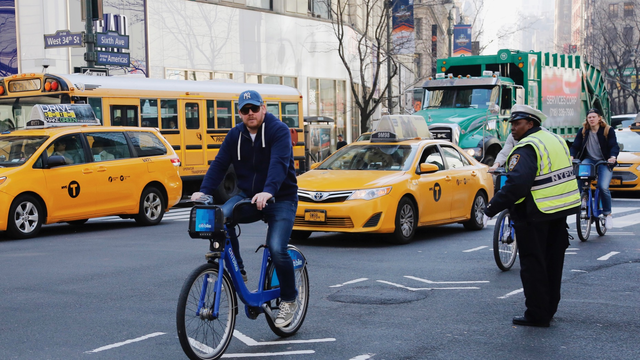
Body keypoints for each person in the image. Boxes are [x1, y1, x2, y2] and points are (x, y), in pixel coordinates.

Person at [191, 89, 299, 328]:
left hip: (281, 198)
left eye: (254, 108)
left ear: (263, 108)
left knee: (277, 248)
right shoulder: (235, 135)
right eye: (245, 110)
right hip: (249, 197)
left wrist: (269, 190)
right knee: (221, 217)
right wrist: (205, 190)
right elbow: (219, 164)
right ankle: (238, 268)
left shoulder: (277, 130)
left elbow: (279, 164)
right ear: (239, 113)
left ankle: (290, 300)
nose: (250, 113)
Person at [483, 104, 580, 327]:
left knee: (533, 264)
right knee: (553, 263)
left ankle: (537, 314)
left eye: (517, 124)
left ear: (530, 124)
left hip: (535, 213)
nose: (513, 129)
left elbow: (517, 185)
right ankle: (549, 307)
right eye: (512, 124)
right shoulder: (553, 139)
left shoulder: (527, 147)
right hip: (559, 209)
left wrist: (491, 209)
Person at [569, 108, 619, 230]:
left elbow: (614, 145)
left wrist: (612, 157)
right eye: (589, 117)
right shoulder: (584, 131)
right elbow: (575, 146)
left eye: (593, 117)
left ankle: (607, 214)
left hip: (604, 161)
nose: (591, 119)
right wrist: (571, 156)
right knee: (580, 178)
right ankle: (583, 200)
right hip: (589, 160)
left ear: (599, 118)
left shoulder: (608, 130)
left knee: (603, 187)